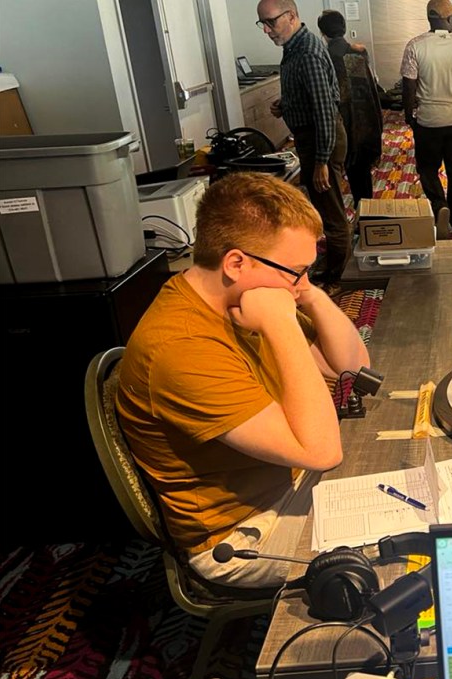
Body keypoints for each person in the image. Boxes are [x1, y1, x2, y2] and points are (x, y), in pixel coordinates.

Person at [117, 173, 372, 588]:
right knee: (419, 549)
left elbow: (352, 367)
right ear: (236, 263)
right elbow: (322, 451)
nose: (300, 283)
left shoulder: (239, 298)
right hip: (243, 535)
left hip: (287, 482)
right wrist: (282, 326)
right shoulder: (182, 347)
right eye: (296, 271)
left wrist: (309, 293)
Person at [257, 0, 349, 286]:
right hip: (314, 136)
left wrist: (321, 161)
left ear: (292, 16)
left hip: (321, 138)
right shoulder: (295, 46)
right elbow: (313, 94)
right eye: (263, 23)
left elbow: (323, 110)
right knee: (325, 203)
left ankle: (337, 275)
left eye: (271, 22)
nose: (267, 30)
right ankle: (335, 265)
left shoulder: (306, 51)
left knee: (331, 209)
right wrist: (287, 104)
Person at [401, 0, 452, 238]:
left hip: (429, 120)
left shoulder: (415, 46)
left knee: (427, 169)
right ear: (447, 20)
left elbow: (409, 86)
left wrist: (409, 114)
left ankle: (439, 206)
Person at [316, 9, 383, 207]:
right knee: (361, 175)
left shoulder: (323, 58)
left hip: (339, 124)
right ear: (344, 29)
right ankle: (366, 216)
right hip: (364, 122)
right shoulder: (359, 52)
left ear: (323, 33)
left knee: (334, 175)